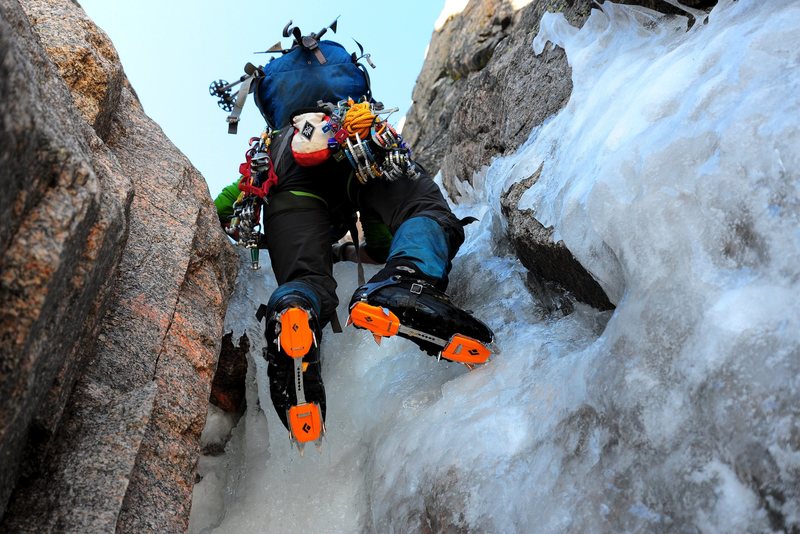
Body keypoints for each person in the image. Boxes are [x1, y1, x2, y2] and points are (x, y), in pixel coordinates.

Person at [213, 23, 494, 448]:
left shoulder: (274, 142)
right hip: (355, 136)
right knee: (420, 209)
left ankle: (293, 311)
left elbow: (223, 204)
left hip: (282, 172)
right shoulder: (352, 111)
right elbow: (383, 233)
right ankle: (406, 281)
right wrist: (378, 255)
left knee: (304, 281)